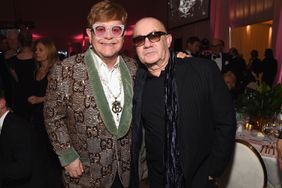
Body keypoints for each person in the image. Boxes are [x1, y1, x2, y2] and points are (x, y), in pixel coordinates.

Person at [130, 17, 236, 188]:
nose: (147, 43)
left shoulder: (202, 70)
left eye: (154, 35)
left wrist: (213, 170)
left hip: (198, 177)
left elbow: (226, 122)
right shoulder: (136, 81)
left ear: (169, 40)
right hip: (157, 179)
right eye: (139, 40)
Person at [43, 1, 137, 187]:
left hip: (125, 170)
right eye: (100, 29)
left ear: (123, 34)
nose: (108, 36)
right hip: (85, 173)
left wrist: (183, 63)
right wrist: (67, 155)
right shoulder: (65, 70)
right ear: (89, 34)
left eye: (116, 29)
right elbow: (52, 116)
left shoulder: (133, 68)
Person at [27, 38, 63, 187]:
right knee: (39, 151)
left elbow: (61, 95)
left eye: (40, 50)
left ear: (49, 51)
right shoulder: (36, 70)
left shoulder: (55, 69)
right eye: (36, 50)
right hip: (36, 117)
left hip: (51, 117)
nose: (36, 52)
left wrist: (40, 99)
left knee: (51, 153)